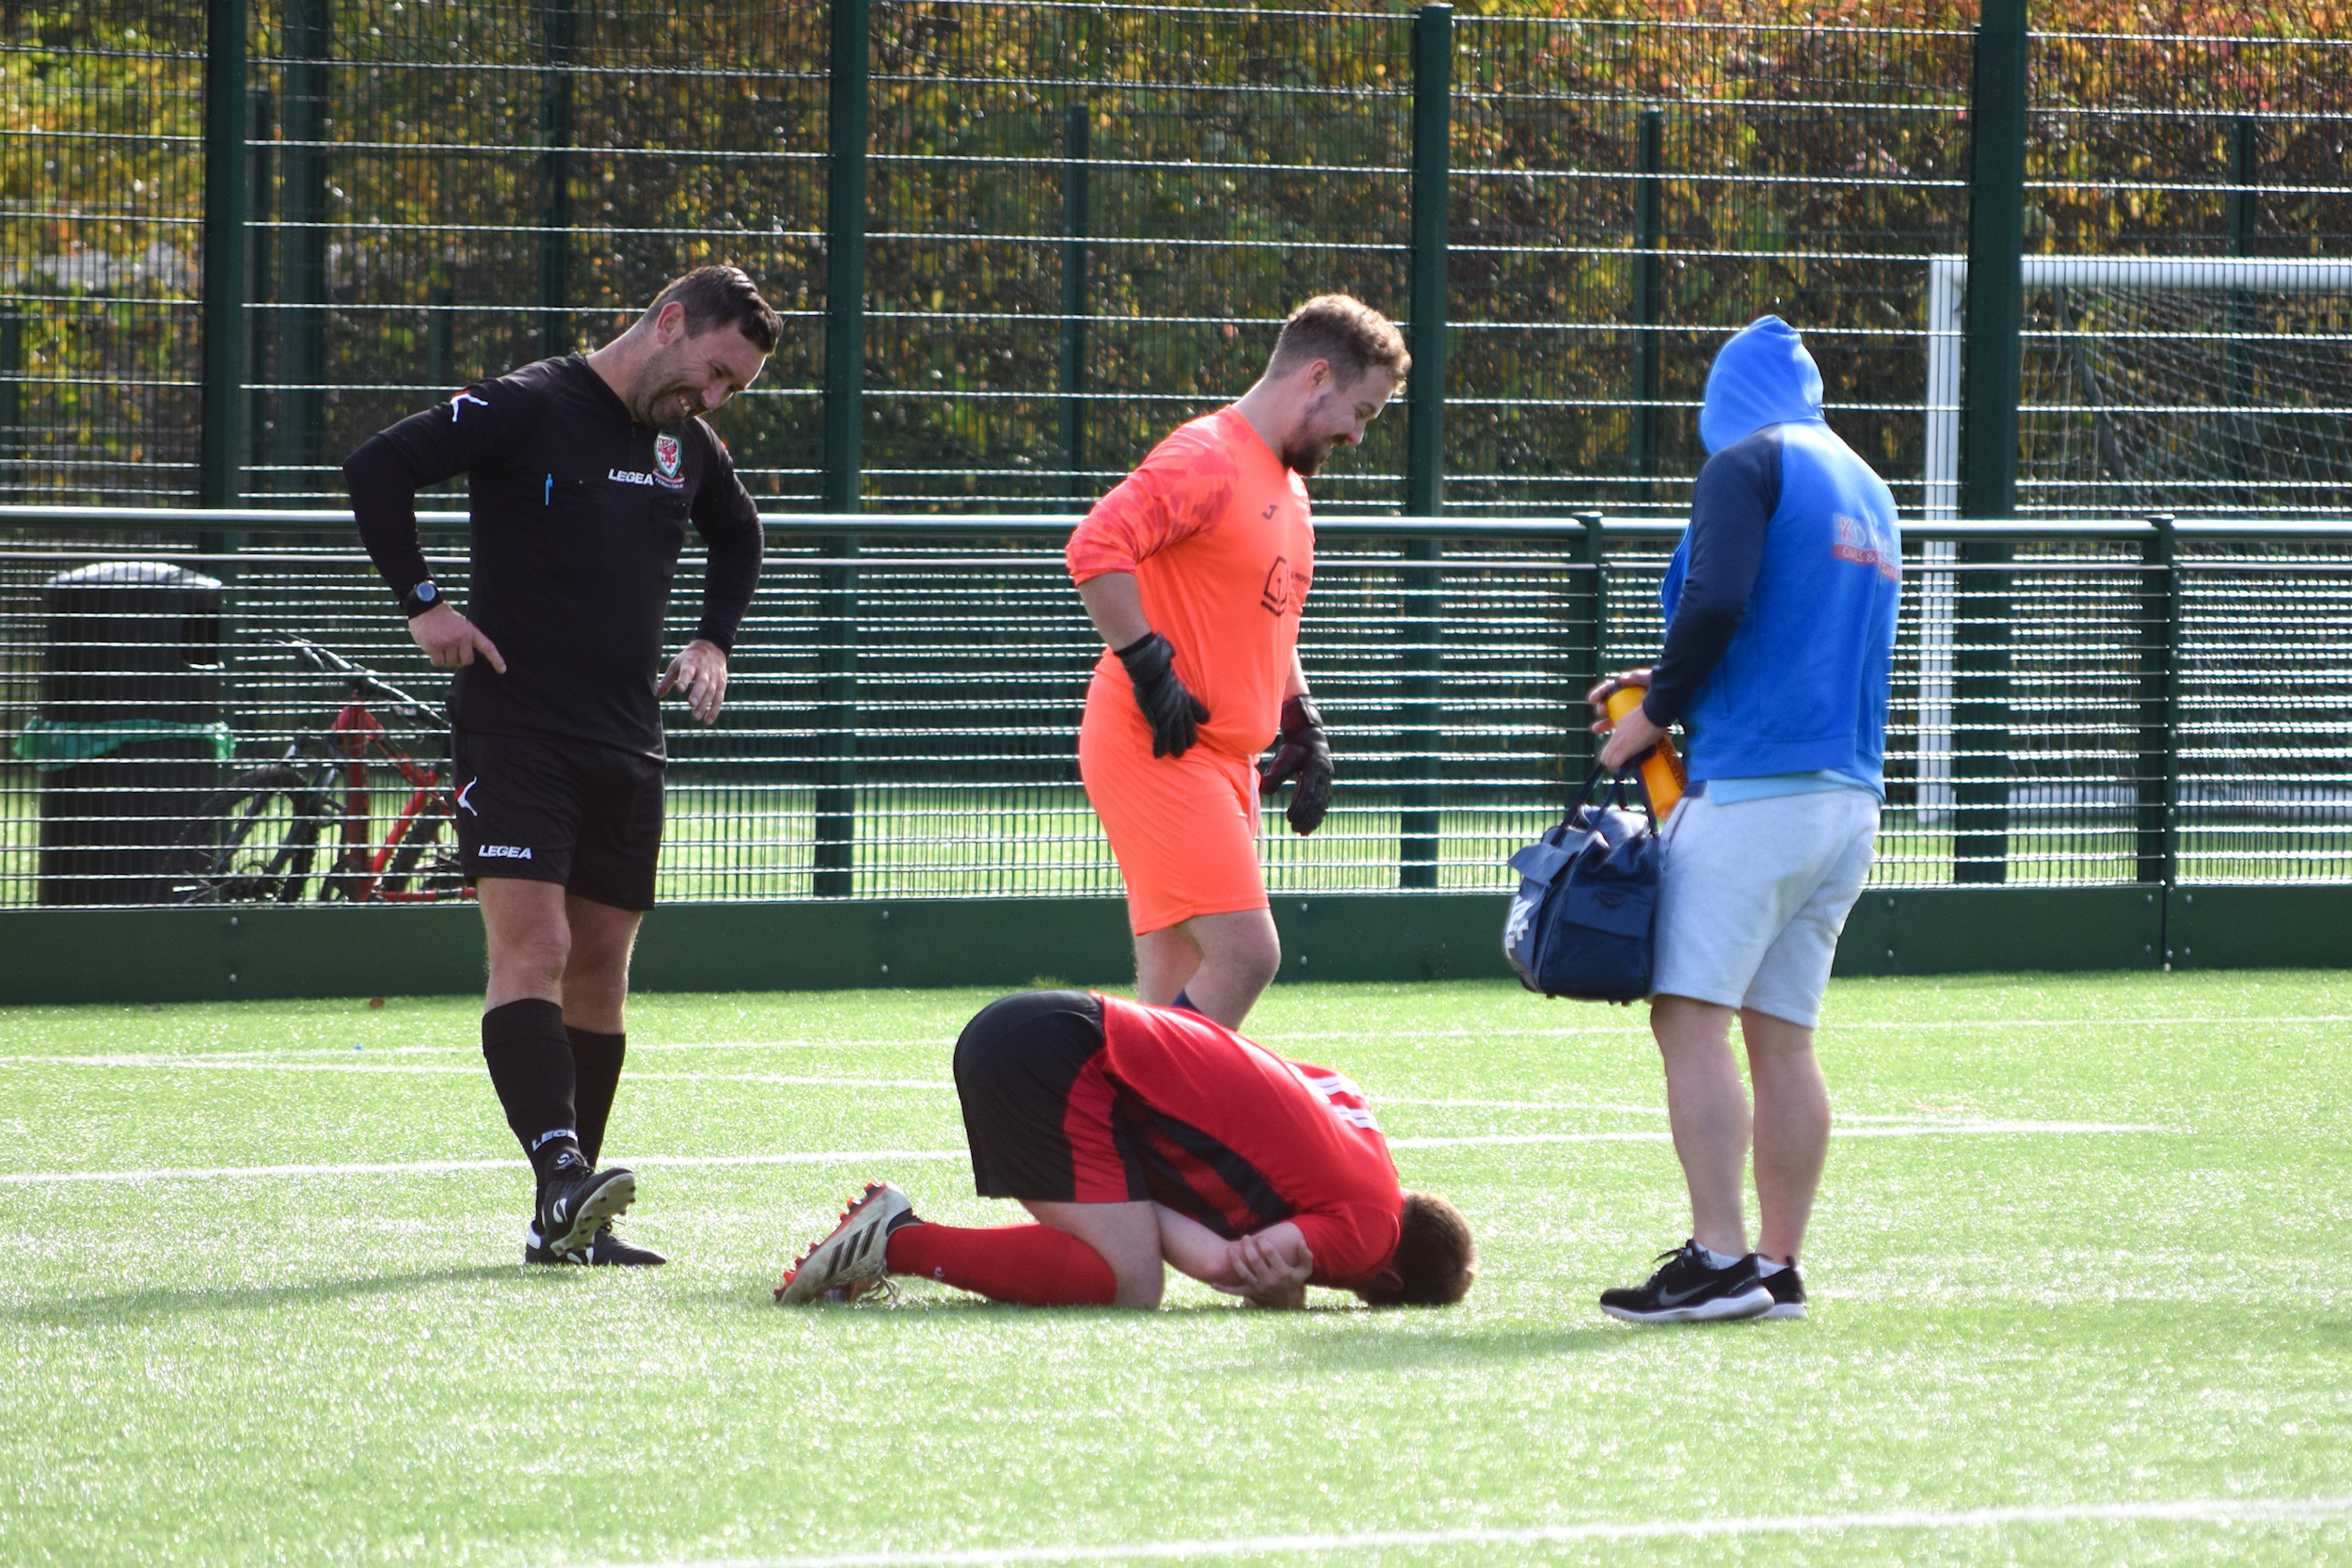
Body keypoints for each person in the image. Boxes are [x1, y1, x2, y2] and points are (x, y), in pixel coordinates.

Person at [342, 266, 779, 1266]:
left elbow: (739, 535)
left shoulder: (683, 446)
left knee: (600, 970)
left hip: (628, 737)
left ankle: (566, 1219)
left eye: (732, 391)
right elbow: (379, 466)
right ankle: (562, 1176)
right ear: (669, 322)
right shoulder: (530, 403)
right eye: (712, 372)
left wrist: (713, 641)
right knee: (530, 947)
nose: (712, 400)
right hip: (518, 728)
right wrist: (423, 602)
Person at [1586, 315, 1900, 1324]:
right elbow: (1783, 626)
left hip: (1752, 792)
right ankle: (1776, 1264)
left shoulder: (1745, 462)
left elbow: (1716, 599)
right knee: (1784, 1038)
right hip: (1846, 798)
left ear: (1723, 398)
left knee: (1686, 1015)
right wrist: (1679, 686)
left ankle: (1717, 1255)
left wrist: (1651, 716)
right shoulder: (1865, 482)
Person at [1064, 296, 1407, 1029]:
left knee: (1174, 979)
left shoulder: (1289, 487)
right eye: (1363, 411)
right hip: (1158, 744)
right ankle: (1128, 1117)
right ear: (1317, 376)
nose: (1356, 433)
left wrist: (1300, 717)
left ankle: (1136, 1136)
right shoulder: (1208, 457)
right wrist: (1147, 664)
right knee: (1248, 955)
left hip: (1224, 762)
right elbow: (1095, 549)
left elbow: (1270, 618)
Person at [773, 989, 1475, 1311]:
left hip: (1054, 1030)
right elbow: (1241, 1265)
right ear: (1385, 1282)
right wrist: (1282, 1295)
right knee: (1131, 1284)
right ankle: (895, 1240)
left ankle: (894, 1237)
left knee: (1130, 1260)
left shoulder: (1358, 1120)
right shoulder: (1373, 1238)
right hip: (1063, 1059)